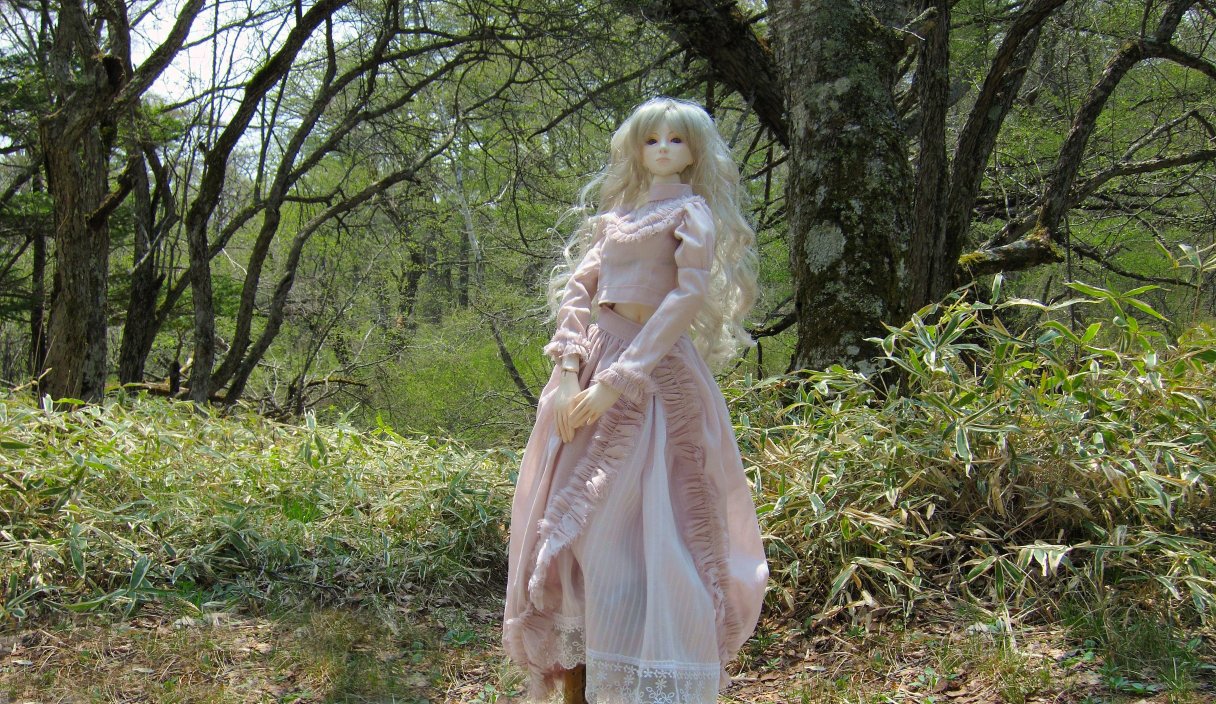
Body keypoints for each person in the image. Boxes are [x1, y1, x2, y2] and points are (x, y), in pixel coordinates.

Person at [503, 97, 768, 704]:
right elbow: (580, 290)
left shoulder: (691, 213)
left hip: (654, 377)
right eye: (652, 140)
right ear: (636, 149)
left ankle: (644, 670)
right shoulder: (617, 220)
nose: (663, 150)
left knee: (647, 530)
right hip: (593, 363)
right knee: (574, 528)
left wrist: (620, 379)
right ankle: (579, 676)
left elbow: (684, 298)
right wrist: (569, 370)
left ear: (694, 151)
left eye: (676, 140)